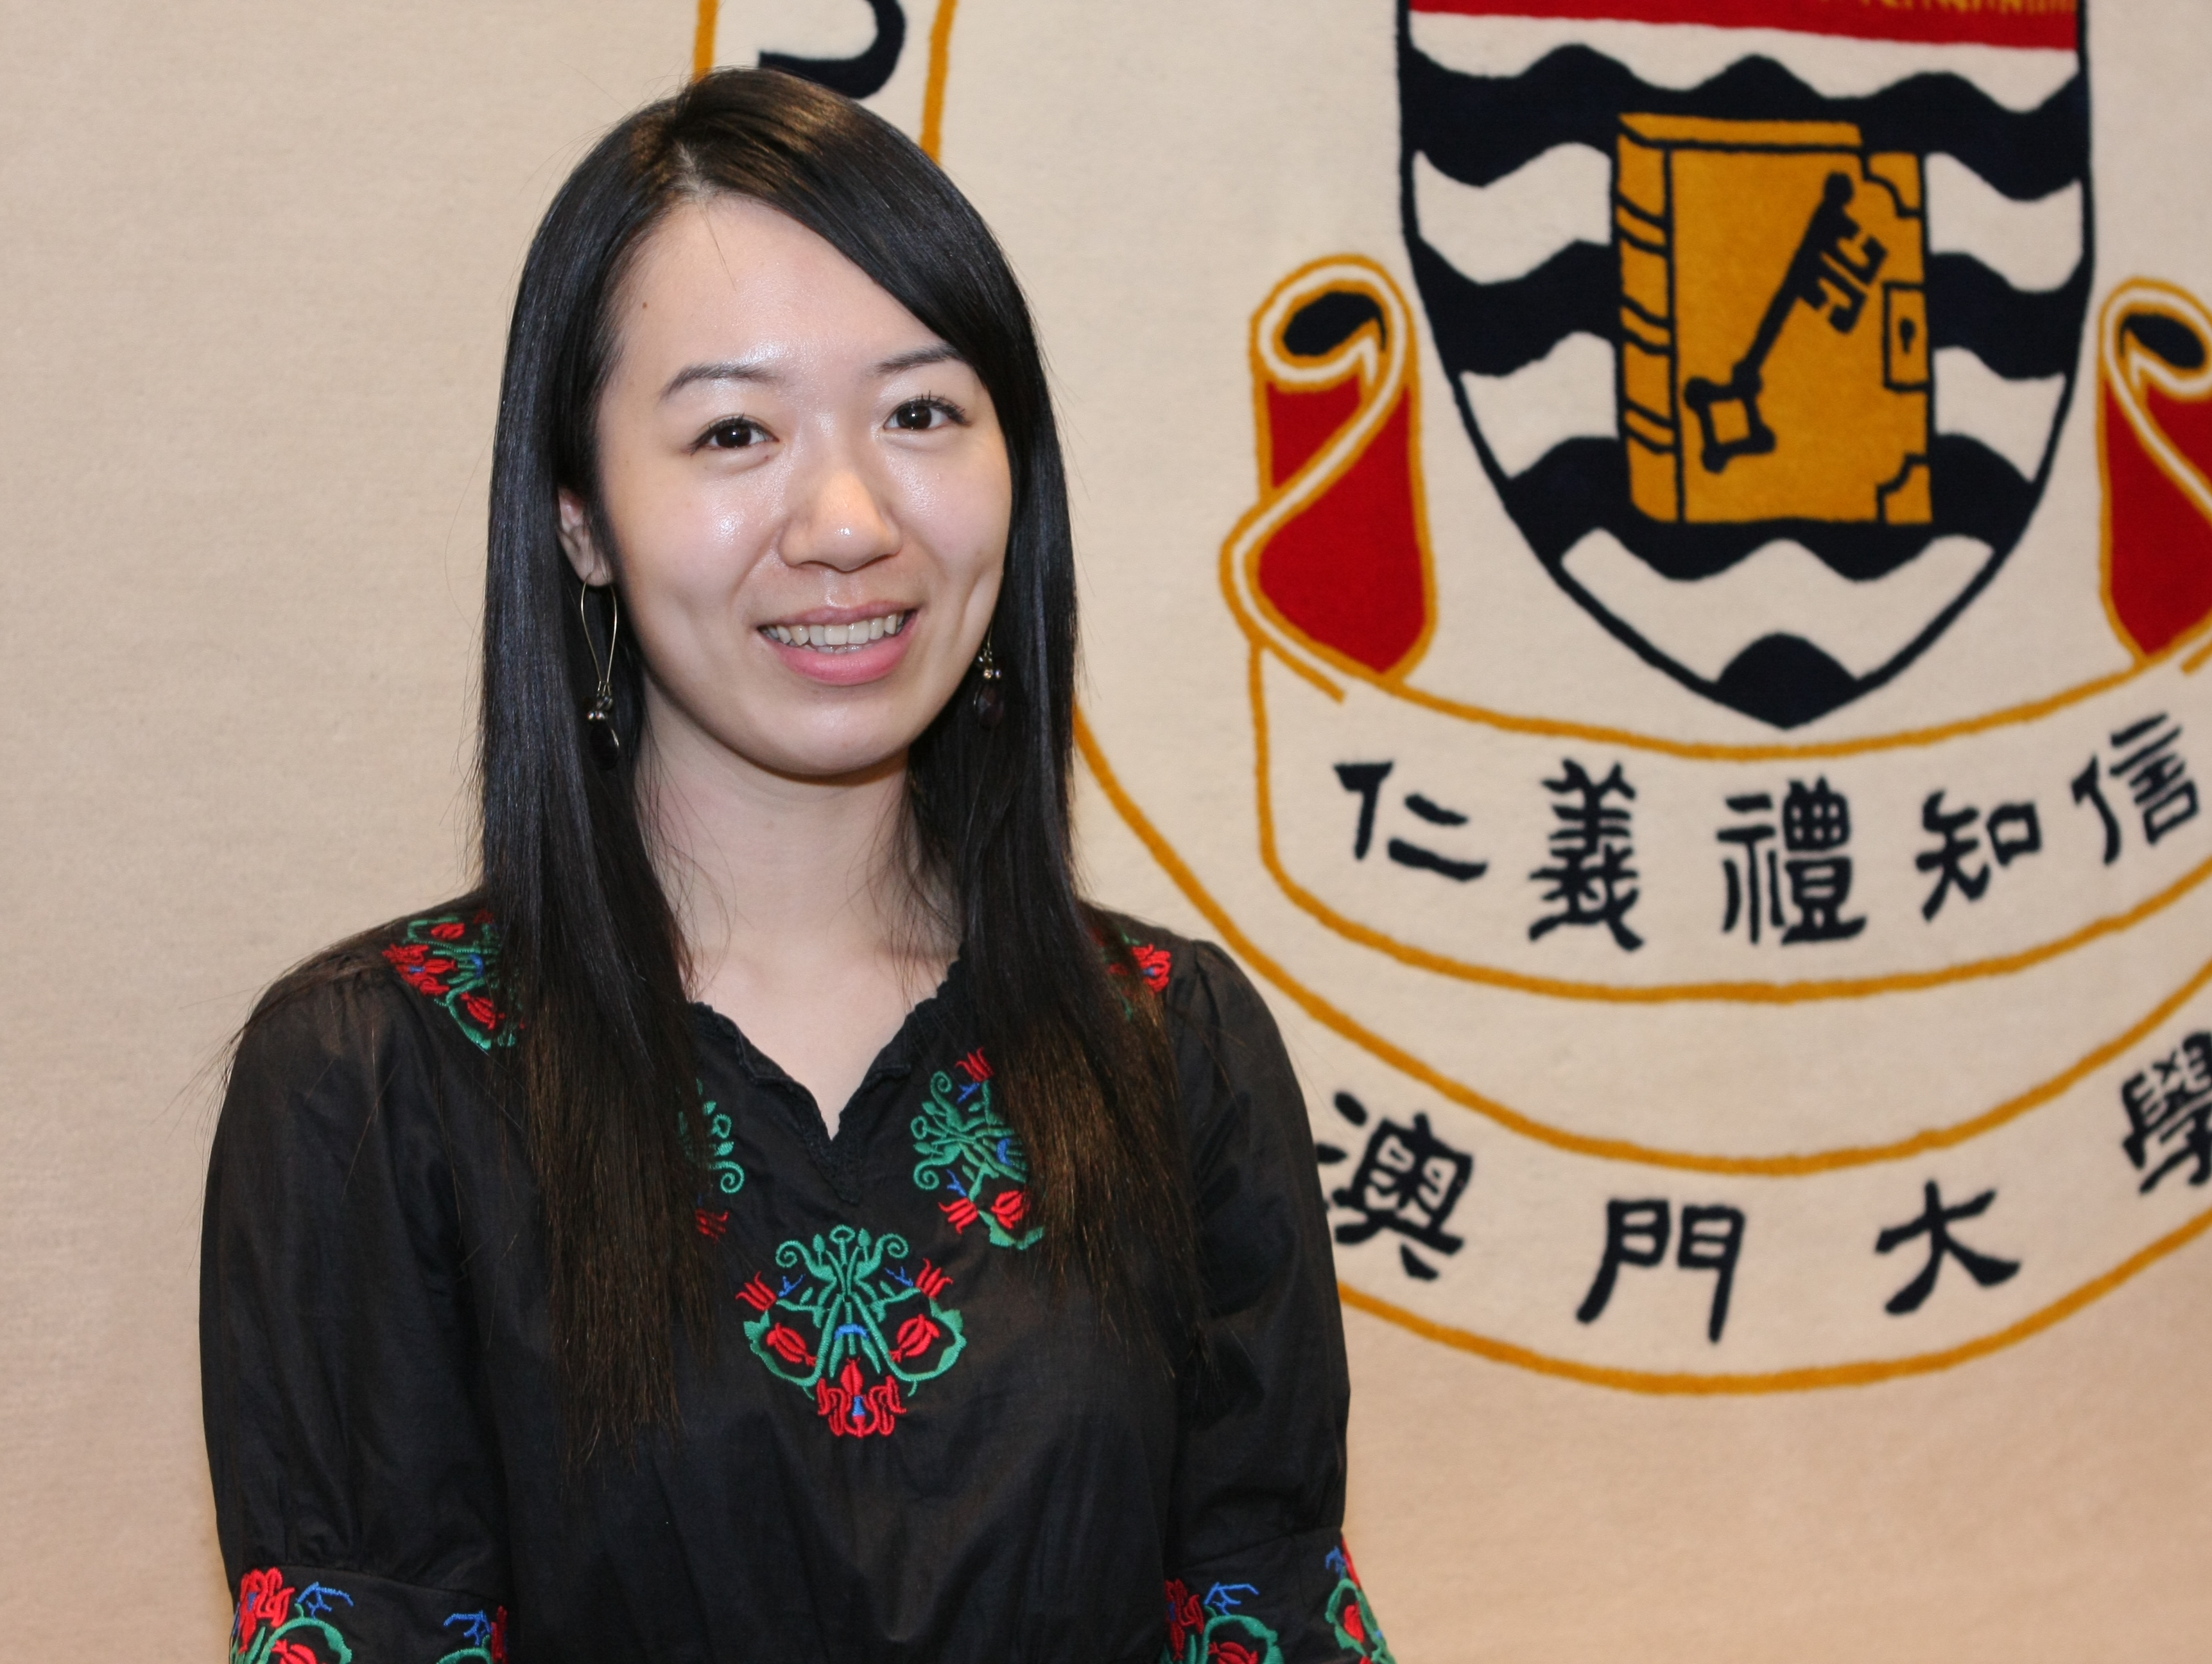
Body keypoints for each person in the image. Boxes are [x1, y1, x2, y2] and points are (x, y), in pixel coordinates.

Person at [200, 69, 1391, 1664]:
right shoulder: (377, 1079)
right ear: (579, 519)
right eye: (734, 431)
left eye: (921, 414)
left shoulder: (1176, 1049)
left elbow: (1272, 1605)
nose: (846, 521)